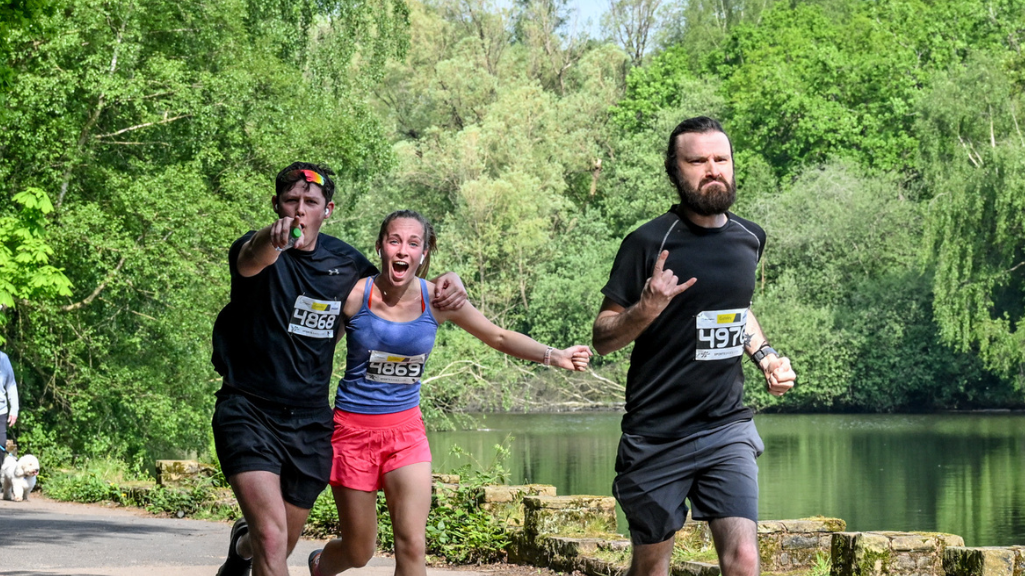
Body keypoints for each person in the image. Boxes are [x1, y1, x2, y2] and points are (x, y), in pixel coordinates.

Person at [211, 165, 468, 576]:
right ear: (276, 205)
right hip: (248, 410)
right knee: (274, 539)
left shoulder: (346, 264)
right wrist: (270, 239)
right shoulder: (255, 249)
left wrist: (447, 279)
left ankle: (242, 547)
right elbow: (250, 258)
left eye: (310, 203)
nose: (299, 212)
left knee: (277, 539)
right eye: (291, 202)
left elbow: (394, 285)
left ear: (326, 210)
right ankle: (255, 545)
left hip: (310, 423)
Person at [307, 210, 593, 576]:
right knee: (360, 551)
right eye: (394, 241)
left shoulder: (437, 300)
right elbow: (312, 353)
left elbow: (498, 336)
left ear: (424, 253)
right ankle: (319, 564)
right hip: (352, 434)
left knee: (411, 544)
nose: (402, 250)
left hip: (405, 434)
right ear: (380, 246)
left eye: (413, 243)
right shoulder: (354, 296)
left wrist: (556, 356)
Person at [591, 117, 796, 576]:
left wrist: (765, 357)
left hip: (726, 427)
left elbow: (736, 309)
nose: (712, 169)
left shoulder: (749, 238)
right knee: (651, 566)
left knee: (743, 560)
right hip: (656, 435)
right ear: (675, 171)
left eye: (720, 159)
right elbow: (602, 337)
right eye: (697, 161)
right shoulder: (648, 242)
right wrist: (646, 308)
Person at [0, 350, 18, 451]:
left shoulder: (3, 359)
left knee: (1, 446)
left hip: (1, 411)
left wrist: (14, 409)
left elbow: (11, 385)